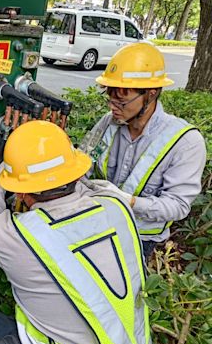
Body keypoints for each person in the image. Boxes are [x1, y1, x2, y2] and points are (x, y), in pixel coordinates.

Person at [0, 121, 153, 344]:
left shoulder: (19, 235)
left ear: (22, 192)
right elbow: (91, 189)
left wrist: (1, 180)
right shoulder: (118, 207)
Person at [81, 43, 206, 258]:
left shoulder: (185, 142)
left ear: (151, 94)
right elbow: (84, 161)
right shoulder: (108, 123)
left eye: (121, 100)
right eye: (110, 97)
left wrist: (128, 201)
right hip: (99, 226)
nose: (112, 107)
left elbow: (178, 206)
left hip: (141, 240)